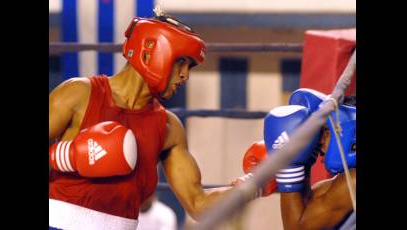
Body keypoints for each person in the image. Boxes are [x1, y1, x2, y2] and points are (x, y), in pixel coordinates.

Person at [48, 9, 276, 230]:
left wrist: (257, 184)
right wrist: (65, 157)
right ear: (149, 51)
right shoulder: (78, 94)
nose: (185, 74)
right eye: (181, 62)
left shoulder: (168, 127)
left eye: (189, 67)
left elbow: (198, 205)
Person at [264, 88, 356, 230]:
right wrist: (302, 160)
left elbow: (297, 227)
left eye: (326, 131)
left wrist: (289, 166)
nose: (319, 141)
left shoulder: (353, 182)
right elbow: (305, 209)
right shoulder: (340, 183)